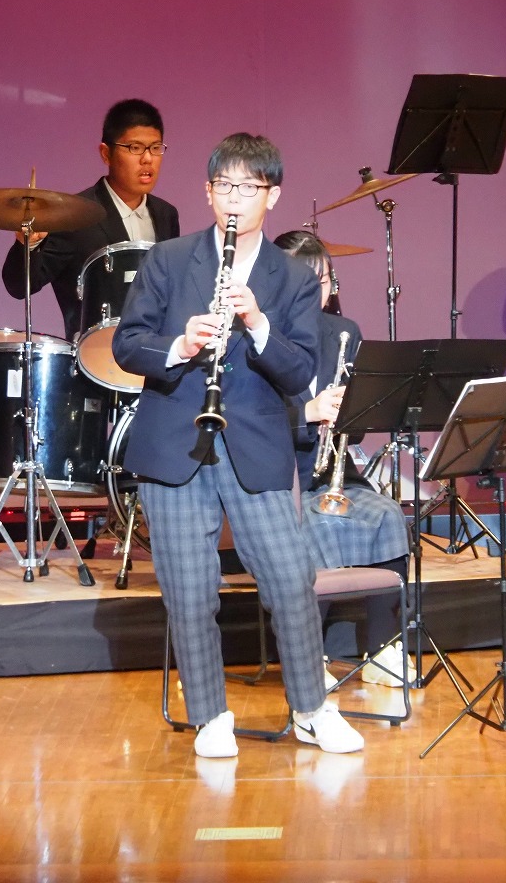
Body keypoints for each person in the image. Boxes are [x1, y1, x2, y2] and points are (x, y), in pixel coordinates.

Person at [112, 133, 364, 758]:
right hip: (174, 441)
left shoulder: (293, 277)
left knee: (290, 579)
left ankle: (312, 709)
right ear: (207, 191)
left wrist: (257, 323)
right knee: (189, 589)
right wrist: (179, 346)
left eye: (248, 188)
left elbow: (299, 370)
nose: (234, 198)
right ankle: (209, 716)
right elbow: (127, 344)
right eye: (224, 186)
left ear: (272, 196)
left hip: (254, 441)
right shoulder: (169, 259)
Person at [274, 230, 412, 688]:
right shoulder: (255, 338)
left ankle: (382, 648)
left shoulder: (344, 332)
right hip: (278, 477)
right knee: (314, 525)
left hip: (334, 473)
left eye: (323, 281)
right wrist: (308, 413)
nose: (316, 292)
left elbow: (362, 424)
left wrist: (352, 413)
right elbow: (244, 422)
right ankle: (306, 655)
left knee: (388, 515)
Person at [0, 98, 180, 338]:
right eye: (135, 148)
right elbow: (19, 286)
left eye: (155, 148)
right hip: (92, 353)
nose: (147, 158)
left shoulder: (166, 214)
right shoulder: (75, 215)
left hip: (150, 351)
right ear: (106, 153)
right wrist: (28, 244)